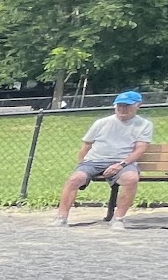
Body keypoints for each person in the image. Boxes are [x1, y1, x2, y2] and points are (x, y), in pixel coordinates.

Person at [53, 90, 153, 229]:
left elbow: (140, 149)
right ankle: (61, 218)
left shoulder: (144, 124)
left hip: (123, 162)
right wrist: (82, 164)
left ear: (138, 105)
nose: (122, 109)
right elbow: (86, 144)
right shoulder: (101, 123)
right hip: (94, 161)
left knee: (131, 179)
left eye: (127, 106)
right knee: (75, 179)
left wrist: (121, 164)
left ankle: (118, 219)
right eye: (119, 105)